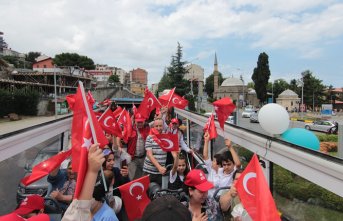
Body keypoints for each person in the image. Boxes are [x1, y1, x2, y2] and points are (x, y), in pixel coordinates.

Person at [62, 143, 105, 221]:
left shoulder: (106, 216)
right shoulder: (66, 182)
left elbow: (80, 211)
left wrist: (92, 171)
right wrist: (92, 171)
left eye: (74, 168)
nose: (72, 171)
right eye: (69, 168)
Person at [143, 118, 168, 186]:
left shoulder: (166, 137)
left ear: (163, 126)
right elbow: (149, 155)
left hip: (161, 172)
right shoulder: (150, 137)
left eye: (160, 126)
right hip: (149, 171)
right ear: (153, 126)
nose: (158, 128)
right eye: (156, 126)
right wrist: (159, 167)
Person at [127, 112, 150, 180]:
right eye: (138, 122)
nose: (140, 124)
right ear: (135, 121)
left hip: (143, 158)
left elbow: (158, 124)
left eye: (141, 122)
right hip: (132, 158)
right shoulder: (130, 129)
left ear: (144, 121)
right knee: (131, 177)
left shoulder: (147, 129)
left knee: (143, 177)